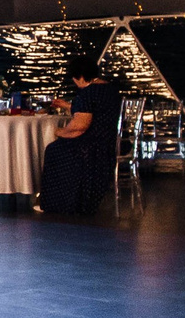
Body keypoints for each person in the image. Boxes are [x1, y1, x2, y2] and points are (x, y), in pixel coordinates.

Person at [38, 50, 124, 217]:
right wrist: (69, 106)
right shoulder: (110, 89)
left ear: (80, 77)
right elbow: (98, 111)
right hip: (108, 143)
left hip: (93, 148)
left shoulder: (87, 93)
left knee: (54, 149)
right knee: (60, 147)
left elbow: (80, 127)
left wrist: (58, 132)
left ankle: (61, 203)